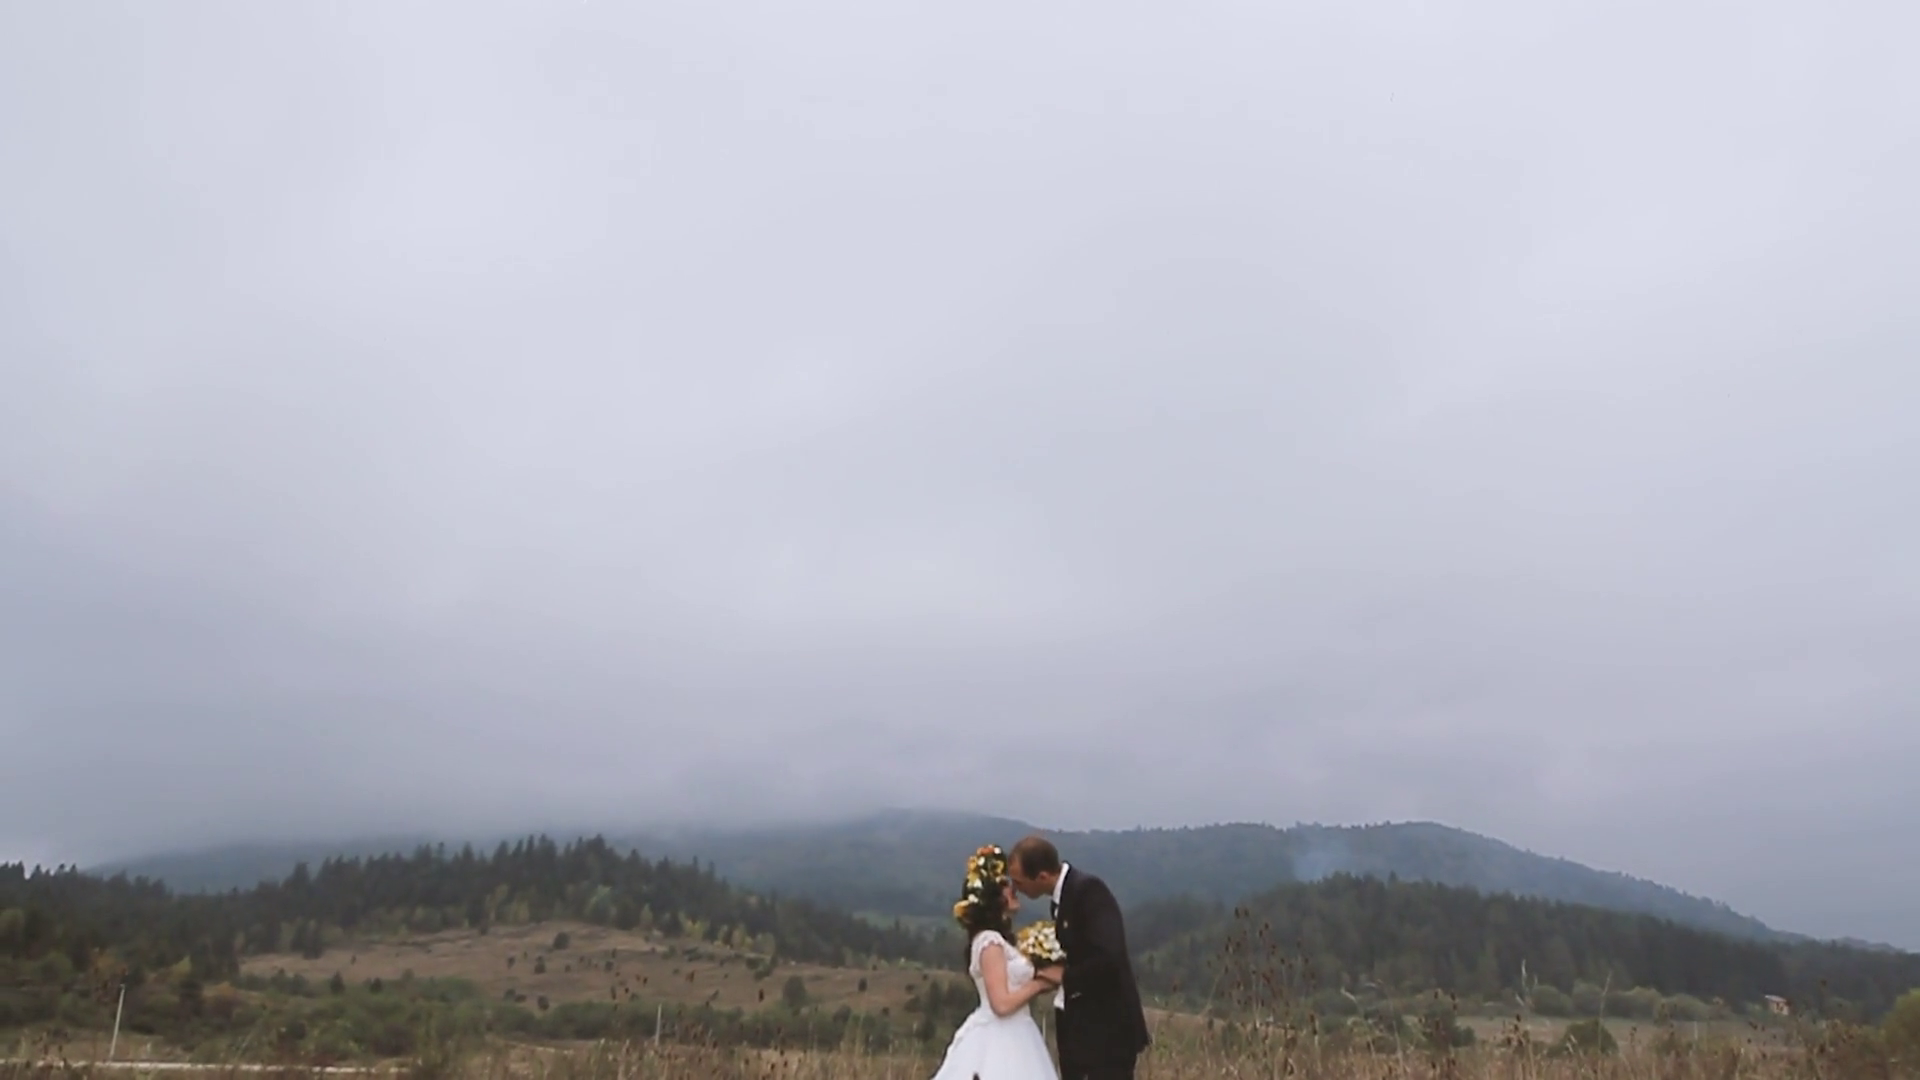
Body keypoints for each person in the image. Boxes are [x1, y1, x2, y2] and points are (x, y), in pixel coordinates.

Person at [1009, 835, 1150, 1080]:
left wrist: (1064, 976)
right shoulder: (1062, 897)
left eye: (1019, 882)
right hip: (1083, 1030)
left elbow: (1109, 957)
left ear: (1042, 876)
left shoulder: (1089, 892)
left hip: (1108, 1034)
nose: (1015, 889)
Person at [928, 844, 1065, 1080]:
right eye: (1005, 886)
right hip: (1001, 1036)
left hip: (1019, 1030)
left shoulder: (1003, 942)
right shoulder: (989, 942)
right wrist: (1042, 982)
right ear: (993, 899)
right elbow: (1001, 1005)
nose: (1013, 889)